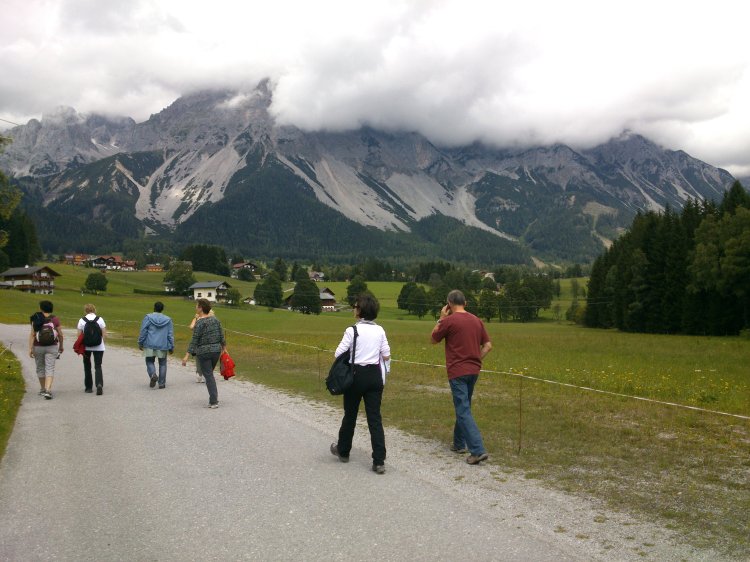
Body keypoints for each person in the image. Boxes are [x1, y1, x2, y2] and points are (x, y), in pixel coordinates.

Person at [330, 294, 391, 474]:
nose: (354, 309)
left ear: (360, 311)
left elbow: (338, 353)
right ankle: (379, 461)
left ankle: (343, 450)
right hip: (374, 376)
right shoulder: (380, 330)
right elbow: (386, 354)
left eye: (355, 307)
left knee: (350, 415)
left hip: (355, 375)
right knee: (375, 418)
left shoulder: (352, 331)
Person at [431, 289, 492, 465]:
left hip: (457, 371)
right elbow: (488, 346)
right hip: (474, 370)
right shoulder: (477, 321)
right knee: (464, 406)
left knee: (463, 409)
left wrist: (441, 318)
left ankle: (477, 450)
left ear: (448, 304)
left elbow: (433, 339)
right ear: (465, 303)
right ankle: (459, 444)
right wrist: (475, 360)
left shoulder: (448, 321)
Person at [182, 299, 226, 408]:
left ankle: (213, 401)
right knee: (209, 374)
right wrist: (224, 348)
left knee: (209, 376)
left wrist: (187, 355)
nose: (195, 307)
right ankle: (213, 399)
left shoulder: (200, 322)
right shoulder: (216, 320)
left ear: (201, 308)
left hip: (204, 352)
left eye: (197, 306)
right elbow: (222, 335)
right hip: (216, 351)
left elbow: (194, 340)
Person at [28, 300, 63, 400]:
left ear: (41, 308)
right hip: (52, 347)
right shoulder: (55, 319)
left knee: (40, 367)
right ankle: (48, 390)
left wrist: (30, 348)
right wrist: (61, 346)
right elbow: (60, 334)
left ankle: (43, 389)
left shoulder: (36, 318)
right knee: (49, 368)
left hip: (38, 346)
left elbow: (32, 335)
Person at [138, 301, 175, 389]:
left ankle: (153, 374)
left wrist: (140, 342)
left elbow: (143, 331)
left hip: (150, 344)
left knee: (149, 361)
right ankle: (161, 383)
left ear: (154, 308)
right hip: (162, 345)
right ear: (162, 309)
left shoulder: (148, 317)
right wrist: (171, 346)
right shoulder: (168, 320)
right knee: (162, 364)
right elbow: (170, 335)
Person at [77, 304, 107, 395]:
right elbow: (104, 333)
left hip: (86, 346)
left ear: (85, 311)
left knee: (87, 366)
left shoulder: (82, 320)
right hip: (99, 346)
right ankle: (99, 384)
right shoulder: (100, 319)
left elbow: (79, 335)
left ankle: (88, 387)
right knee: (98, 366)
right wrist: (102, 343)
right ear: (94, 310)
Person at [189, 307, 215, 383]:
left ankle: (199, 374)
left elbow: (191, 327)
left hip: (199, 343)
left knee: (199, 359)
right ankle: (204, 375)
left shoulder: (199, 320)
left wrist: (196, 320)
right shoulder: (212, 321)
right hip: (208, 343)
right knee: (207, 359)